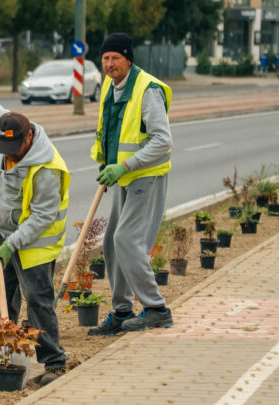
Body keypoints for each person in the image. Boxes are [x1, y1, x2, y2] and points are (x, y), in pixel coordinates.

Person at [0, 98, 71, 386]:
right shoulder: (8, 124)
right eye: (5, 151)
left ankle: (54, 362)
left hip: (35, 243)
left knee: (38, 301)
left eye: (15, 152)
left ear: (29, 138)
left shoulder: (47, 169)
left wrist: (10, 245)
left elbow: (41, 218)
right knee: (1, 295)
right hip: (2, 233)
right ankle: (4, 353)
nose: (9, 157)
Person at [88, 33, 175, 335]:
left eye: (115, 58)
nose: (109, 64)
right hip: (123, 175)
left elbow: (162, 140)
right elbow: (112, 130)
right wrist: (106, 160)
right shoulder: (110, 88)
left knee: (126, 239)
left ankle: (156, 309)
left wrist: (124, 164)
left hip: (145, 174)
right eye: (105, 59)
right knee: (112, 241)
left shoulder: (146, 89)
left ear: (128, 59)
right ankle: (122, 310)